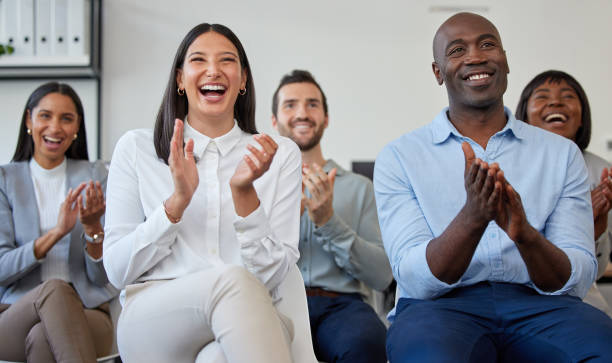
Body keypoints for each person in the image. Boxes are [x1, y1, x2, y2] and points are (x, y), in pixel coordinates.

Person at [375, 12, 612, 362]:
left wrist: (524, 234)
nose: (475, 56)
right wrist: (473, 218)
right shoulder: (400, 157)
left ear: (505, 60)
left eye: (488, 44)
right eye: (457, 50)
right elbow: (415, 278)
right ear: (438, 73)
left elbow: (576, 279)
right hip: (440, 310)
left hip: (543, 305)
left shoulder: (561, 154)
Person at [103, 23, 301, 363]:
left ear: (243, 80)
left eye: (227, 61)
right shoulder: (136, 148)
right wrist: (175, 204)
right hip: (154, 322)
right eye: (199, 60)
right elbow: (117, 271)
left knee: (217, 358)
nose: (213, 70)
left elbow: (271, 277)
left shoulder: (279, 154)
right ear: (180, 79)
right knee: (231, 281)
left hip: (249, 320)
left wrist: (244, 195)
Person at [271, 70, 391, 363]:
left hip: (343, 308)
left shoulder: (361, 188)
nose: (302, 113)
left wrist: (328, 222)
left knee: (367, 342)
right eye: (290, 105)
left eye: (312, 104)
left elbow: (382, 275)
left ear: (326, 118)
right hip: (274, 305)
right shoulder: (258, 187)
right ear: (274, 122)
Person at [0, 82, 117, 362]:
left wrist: (92, 229)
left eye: (66, 118)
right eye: (45, 116)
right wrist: (57, 233)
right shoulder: (5, 179)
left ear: (77, 127)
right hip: (14, 313)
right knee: (54, 289)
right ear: (29, 120)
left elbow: (104, 277)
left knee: (43, 340)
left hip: (87, 311)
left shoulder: (96, 176)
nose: (55, 127)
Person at [515, 70, 612, 315]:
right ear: (524, 117)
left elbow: (597, 272)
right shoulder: (507, 165)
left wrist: (592, 233)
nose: (556, 102)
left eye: (567, 96)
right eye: (542, 96)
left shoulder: (603, 173)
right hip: (516, 295)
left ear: (582, 118)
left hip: (580, 297)